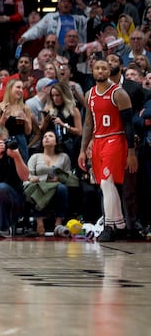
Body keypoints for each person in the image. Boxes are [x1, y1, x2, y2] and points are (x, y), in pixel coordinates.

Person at [78, 59, 137, 242]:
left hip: (116, 138)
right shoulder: (89, 94)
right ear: (92, 71)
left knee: (107, 183)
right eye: (97, 68)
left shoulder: (119, 94)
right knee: (105, 185)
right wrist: (82, 150)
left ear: (109, 70)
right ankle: (119, 225)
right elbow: (88, 123)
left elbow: (129, 125)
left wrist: (131, 152)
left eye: (104, 68)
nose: (101, 70)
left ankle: (110, 225)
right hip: (98, 141)